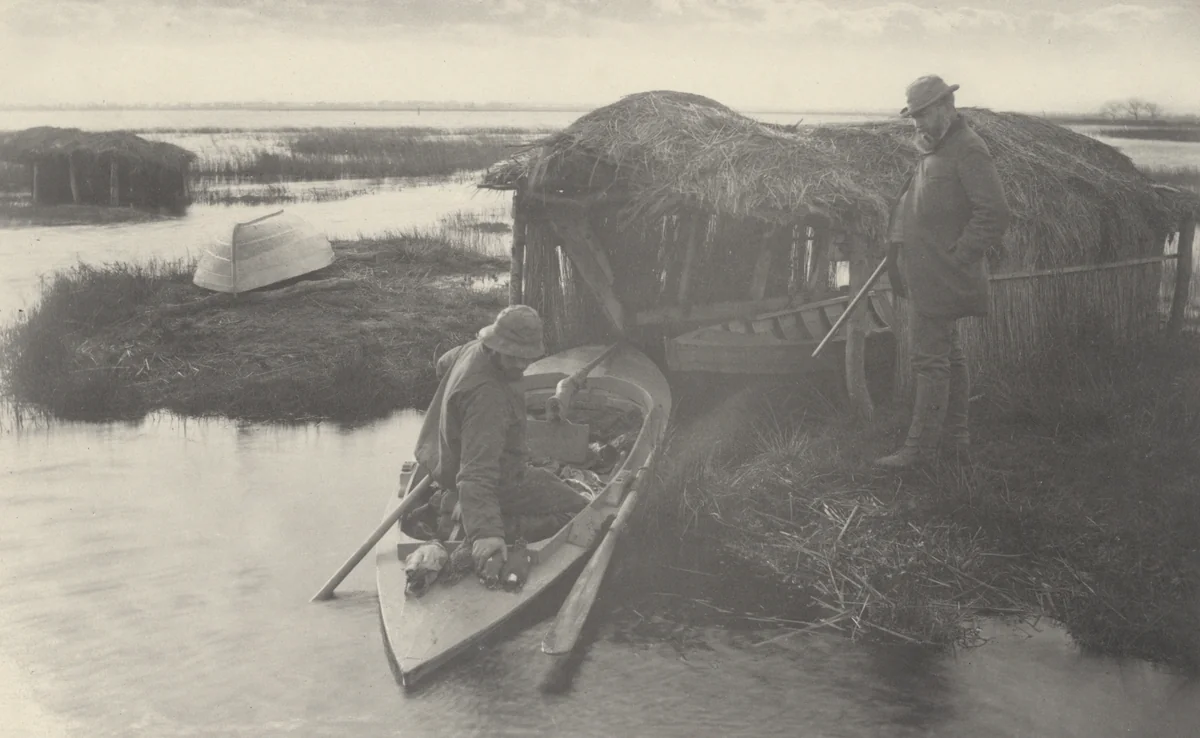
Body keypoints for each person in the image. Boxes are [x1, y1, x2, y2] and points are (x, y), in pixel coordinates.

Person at [875, 75, 1011, 470]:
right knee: (949, 356)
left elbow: (995, 213)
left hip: (942, 273)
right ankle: (955, 441)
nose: (916, 123)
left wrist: (959, 256)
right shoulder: (936, 148)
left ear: (945, 107)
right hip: (928, 272)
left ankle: (920, 450)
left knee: (929, 360)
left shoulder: (968, 150)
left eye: (922, 114)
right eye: (913, 115)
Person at [413, 305, 588, 573]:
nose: (521, 363)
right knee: (581, 510)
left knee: (546, 485)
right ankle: (489, 523)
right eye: (513, 356)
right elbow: (477, 472)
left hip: (443, 460)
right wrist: (486, 533)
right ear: (497, 346)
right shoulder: (488, 399)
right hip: (496, 478)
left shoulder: (472, 349)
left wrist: (458, 414)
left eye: (525, 356)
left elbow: (442, 365)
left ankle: (455, 500)